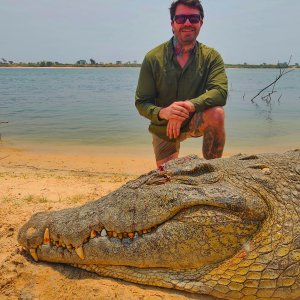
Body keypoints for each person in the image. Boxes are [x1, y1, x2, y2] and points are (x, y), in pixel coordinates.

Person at [135, 0, 228, 168]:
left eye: (193, 18)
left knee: (217, 113)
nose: (187, 23)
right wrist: (164, 112)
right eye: (181, 18)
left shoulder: (211, 57)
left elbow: (220, 92)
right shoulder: (153, 58)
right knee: (167, 178)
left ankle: (213, 170)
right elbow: (142, 102)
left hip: (194, 120)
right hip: (164, 126)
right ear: (172, 23)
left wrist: (188, 106)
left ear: (201, 23)